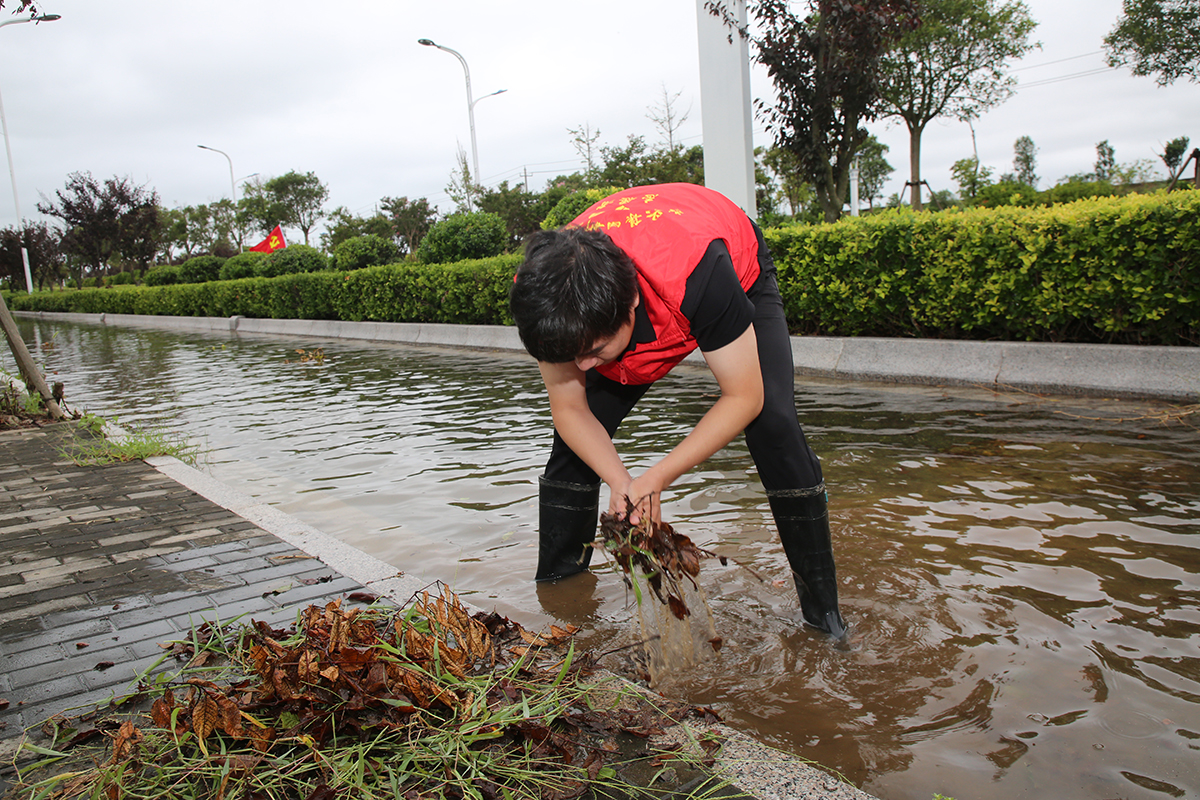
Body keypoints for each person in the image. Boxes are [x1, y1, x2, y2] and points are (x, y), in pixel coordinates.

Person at [509, 182, 847, 638]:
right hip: (625, 302)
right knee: (573, 451)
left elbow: (744, 396)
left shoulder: (703, 272)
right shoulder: (546, 299)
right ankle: (561, 601)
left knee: (774, 424)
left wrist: (658, 477)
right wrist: (621, 481)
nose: (583, 368)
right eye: (571, 356)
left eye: (594, 352)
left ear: (630, 302)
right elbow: (570, 410)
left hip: (721, 262)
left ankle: (825, 618)